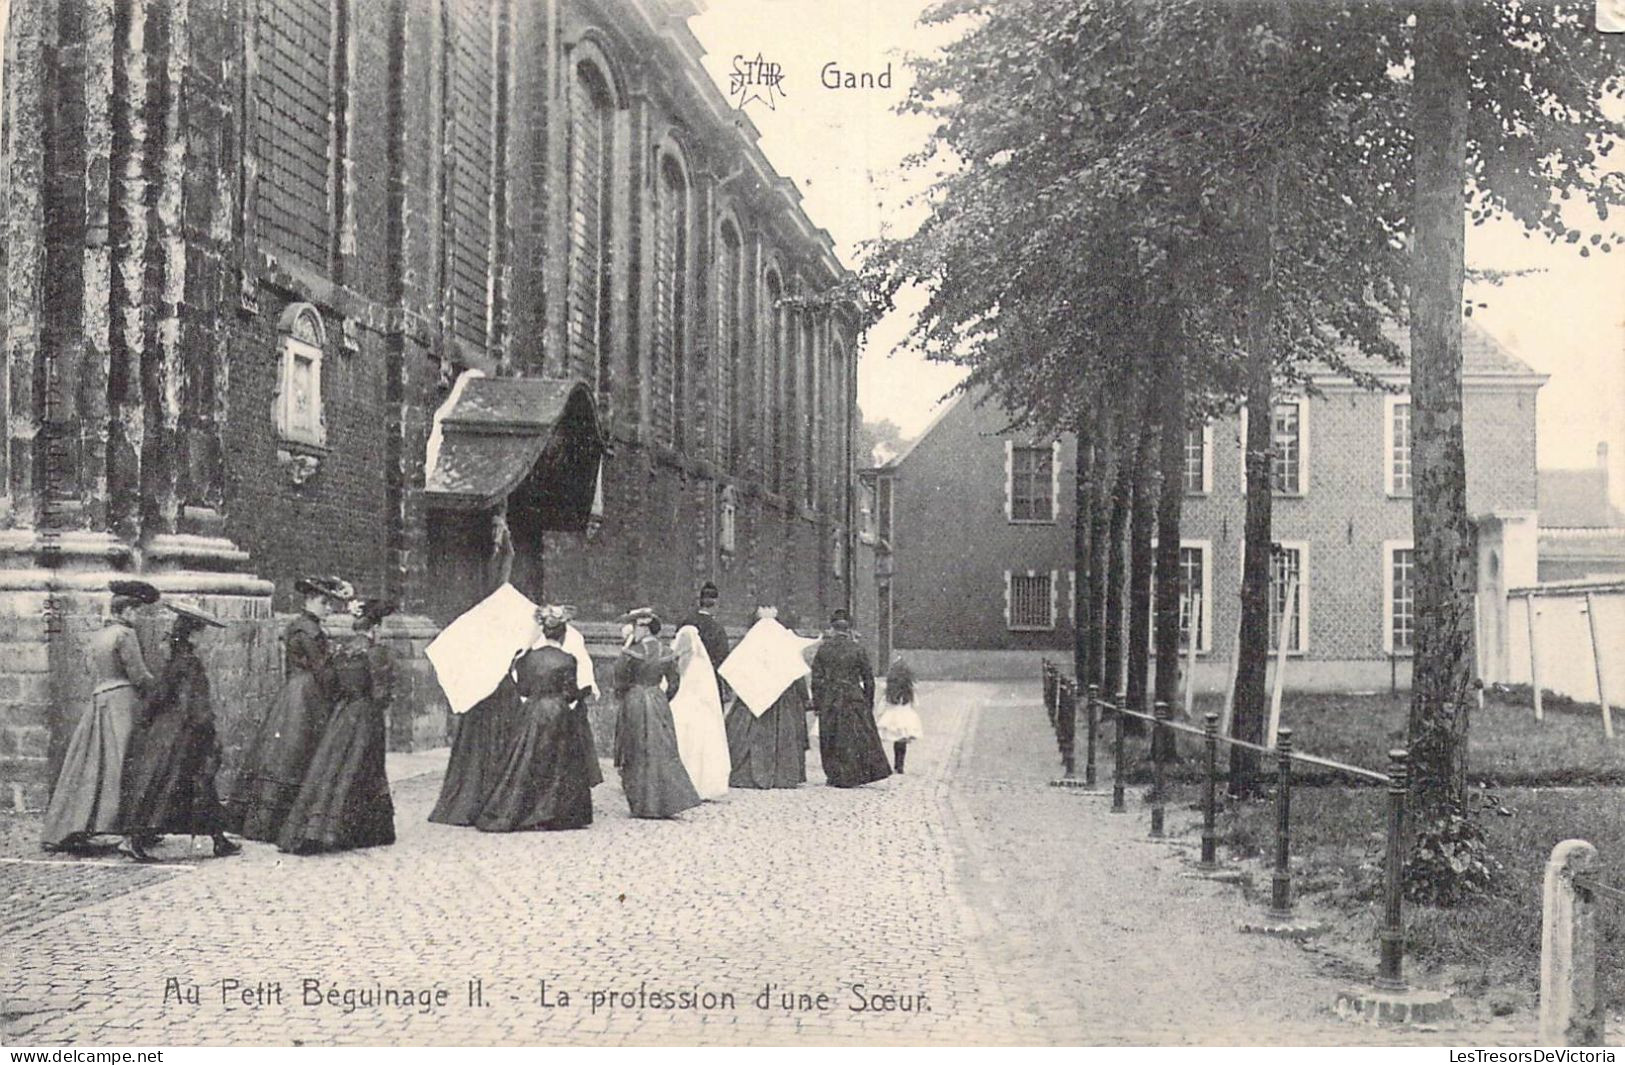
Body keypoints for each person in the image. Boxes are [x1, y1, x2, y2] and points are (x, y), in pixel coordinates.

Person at [227, 575, 352, 841]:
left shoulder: (299, 625)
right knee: (299, 752)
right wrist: (340, 685)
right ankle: (287, 821)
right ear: (313, 601)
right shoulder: (310, 630)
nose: (329, 609)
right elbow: (321, 670)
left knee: (286, 752)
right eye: (325, 603)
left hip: (294, 692)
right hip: (307, 695)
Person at [41, 580, 159, 853]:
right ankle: (127, 827)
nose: (138, 616)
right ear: (128, 610)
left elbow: (89, 669)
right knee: (125, 761)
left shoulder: (98, 636)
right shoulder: (125, 635)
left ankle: (78, 824)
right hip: (123, 701)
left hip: (99, 701)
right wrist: (161, 689)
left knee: (93, 764)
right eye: (137, 610)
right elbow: (138, 675)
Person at [117, 599, 240, 861]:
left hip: (173, 731)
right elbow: (194, 704)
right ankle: (134, 838)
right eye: (201, 633)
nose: (204, 639)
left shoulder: (177, 660)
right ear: (193, 634)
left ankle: (219, 839)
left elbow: (160, 695)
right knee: (175, 784)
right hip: (185, 735)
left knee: (198, 784)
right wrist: (207, 729)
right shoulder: (189, 664)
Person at [277, 599, 397, 854]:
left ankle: (318, 826)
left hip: (343, 714)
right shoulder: (376, 652)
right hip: (366, 715)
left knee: (333, 767)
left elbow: (333, 682)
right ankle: (360, 829)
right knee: (364, 768)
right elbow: (380, 694)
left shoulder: (343, 650)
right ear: (376, 626)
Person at [475, 606, 596, 832]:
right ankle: (554, 813)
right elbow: (569, 692)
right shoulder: (568, 660)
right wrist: (582, 693)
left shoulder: (526, 658)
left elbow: (523, 688)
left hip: (531, 711)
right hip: (558, 712)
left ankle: (522, 811)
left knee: (525, 761)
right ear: (563, 633)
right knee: (559, 761)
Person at [611, 609, 702, 819]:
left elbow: (619, 680)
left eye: (636, 627)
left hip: (634, 700)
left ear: (643, 628)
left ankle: (641, 803)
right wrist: (661, 698)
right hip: (657, 699)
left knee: (634, 749)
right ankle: (665, 801)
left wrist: (626, 696)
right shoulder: (666, 652)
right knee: (662, 749)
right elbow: (674, 682)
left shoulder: (631, 652)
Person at [718, 606, 815, 790]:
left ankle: (746, 771)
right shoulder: (784, 644)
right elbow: (796, 672)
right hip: (782, 702)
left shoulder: (750, 643)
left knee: (745, 734)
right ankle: (782, 773)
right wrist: (804, 697)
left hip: (751, 696)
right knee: (784, 735)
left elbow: (735, 666)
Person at [811, 610, 892, 788]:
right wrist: (868, 702)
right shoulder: (858, 649)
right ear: (849, 629)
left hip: (830, 697)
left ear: (832, 628)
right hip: (853, 695)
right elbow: (869, 679)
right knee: (853, 737)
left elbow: (816, 679)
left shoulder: (824, 649)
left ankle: (834, 775)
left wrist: (817, 703)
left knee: (830, 736)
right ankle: (853, 774)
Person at [668, 625, 731, 800]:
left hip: (690, 708)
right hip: (697, 710)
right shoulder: (700, 662)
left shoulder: (692, 664)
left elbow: (685, 686)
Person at [679, 582, 732, 703]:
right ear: (715, 604)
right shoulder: (717, 628)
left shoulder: (686, 622)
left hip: (687, 677)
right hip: (709, 679)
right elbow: (722, 657)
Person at [877, 656, 925, 774]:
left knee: (895, 740)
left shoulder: (890, 688)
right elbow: (916, 703)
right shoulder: (909, 689)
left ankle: (893, 764)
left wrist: (880, 713)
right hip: (906, 715)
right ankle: (900, 764)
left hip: (892, 715)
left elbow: (883, 703)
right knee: (902, 742)